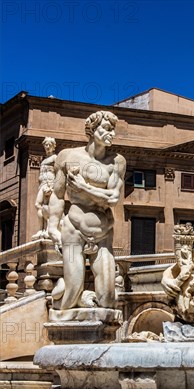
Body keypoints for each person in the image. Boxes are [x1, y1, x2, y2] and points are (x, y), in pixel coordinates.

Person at [48, 111, 126, 310]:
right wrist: (52, 227)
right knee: (72, 292)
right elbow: (57, 195)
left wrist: (83, 187)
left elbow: (113, 198)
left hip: (104, 233)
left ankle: (84, 296)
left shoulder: (117, 162)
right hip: (74, 228)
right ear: (92, 130)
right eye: (107, 129)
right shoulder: (68, 156)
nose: (112, 134)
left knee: (108, 298)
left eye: (113, 130)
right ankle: (65, 294)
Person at [32, 137, 57, 240]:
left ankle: (48, 229)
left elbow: (59, 173)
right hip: (42, 184)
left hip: (50, 184)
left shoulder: (55, 158)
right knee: (38, 204)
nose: (47, 147)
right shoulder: (44, 159)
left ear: (53, 147)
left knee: (49, 206)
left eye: (49, 145)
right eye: (46, 145)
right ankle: (41, 229)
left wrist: (53, 186)